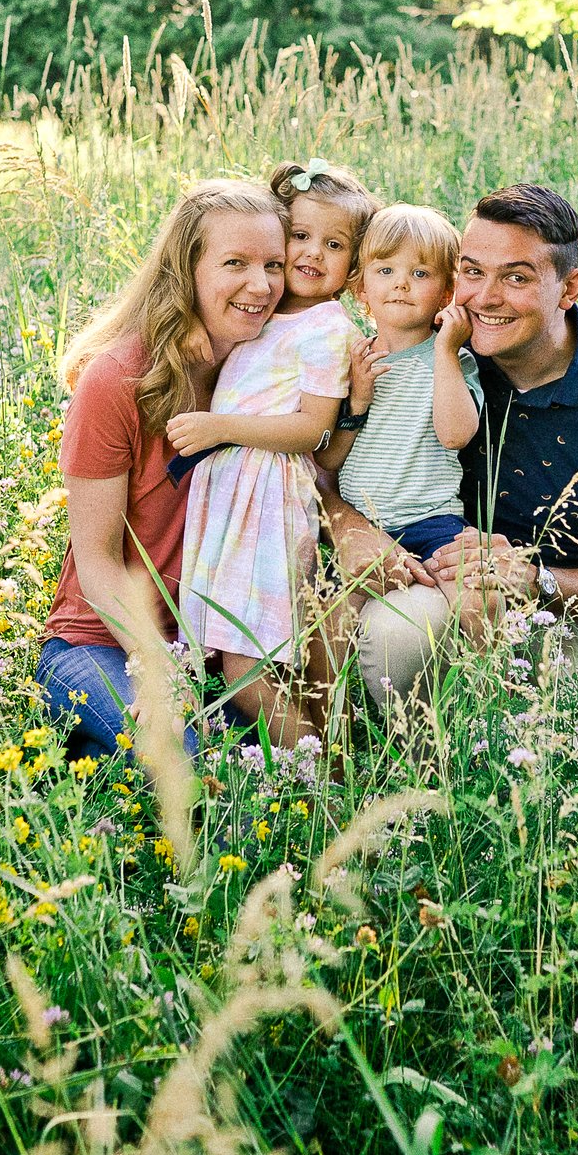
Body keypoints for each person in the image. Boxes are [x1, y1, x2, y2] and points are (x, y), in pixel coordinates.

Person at [321, 183, 578, 699]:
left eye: (515, 278)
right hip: (434, 570)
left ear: (569, 288)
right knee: (399, 634)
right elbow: (319, 457)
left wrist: (534, 580)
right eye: (471, 271)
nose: (485, 298)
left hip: (564, 607)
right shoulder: (428, 349)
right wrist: (348, 524)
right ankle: (428, 773)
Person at [38, 179, 285, 756]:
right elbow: (97, 559)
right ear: (186, 270)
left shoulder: (269, 369)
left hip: (218, 645)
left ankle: (100, 762)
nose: (261, 285)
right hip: (103, 644)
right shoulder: (118, 379)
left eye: (274, 264)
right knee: (204, 770)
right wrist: (156, 664)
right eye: (236, 264)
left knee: (292, 766)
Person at [168, 160, 375, 745]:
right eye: (300, 236)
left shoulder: (327, 328)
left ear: (353, 264)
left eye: (333, 244)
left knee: (249, 669)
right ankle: (321, 768)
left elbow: (312, 430)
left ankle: (324, 785)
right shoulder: (269, 311)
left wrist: (219, 428)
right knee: (240, 665)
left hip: (268, 502)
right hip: (236, 502)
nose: (311, 253)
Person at [315, 204, 482, 561]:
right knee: (336, 615)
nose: (401, 283)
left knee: (473, 597)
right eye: (385, 270)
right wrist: (358, 401)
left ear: (446, 292)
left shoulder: (453, 358)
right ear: (361, 287)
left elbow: (455, 435)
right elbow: (328, 459)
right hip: (364, 528)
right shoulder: (353, 359)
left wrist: (446, 351)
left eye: (420, 273)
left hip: (434, 521)